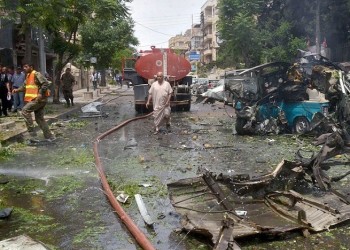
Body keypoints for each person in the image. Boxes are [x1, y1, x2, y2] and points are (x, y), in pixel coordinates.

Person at [12, 62, 55, 141]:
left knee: (25, 110)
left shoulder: (36, 74)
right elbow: (24, 87)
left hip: (38, 99)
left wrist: (40, 93)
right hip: (37, 100)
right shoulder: (28, 76)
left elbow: (45, 83)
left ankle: (32, 135)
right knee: (39, 119)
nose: (24, 68)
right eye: (23, 67)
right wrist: (16, 90)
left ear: (31, 67)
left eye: (26, 67)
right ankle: (49, 136)